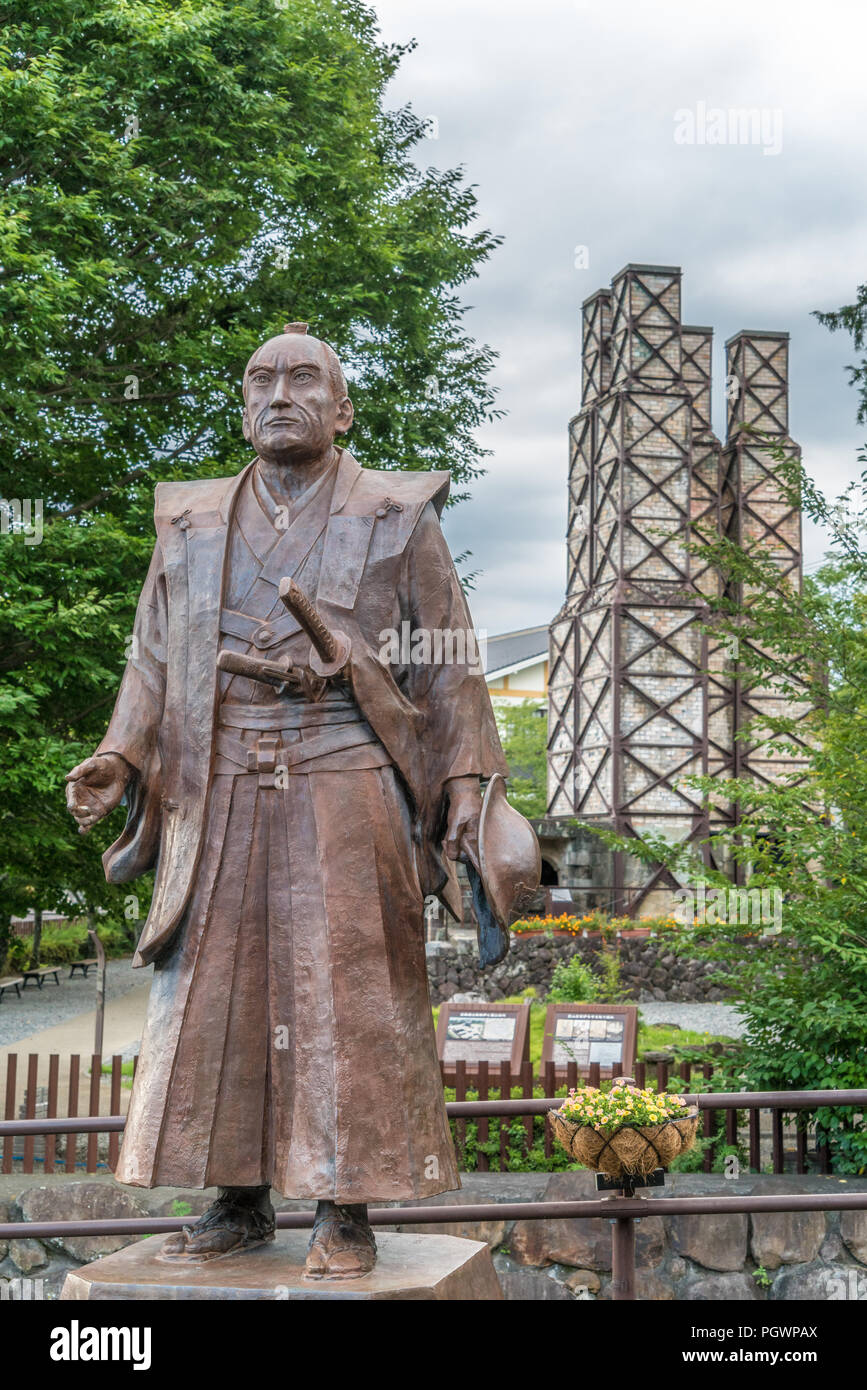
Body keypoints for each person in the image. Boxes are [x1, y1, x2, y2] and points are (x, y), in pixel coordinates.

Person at [66, 323, 508, 1279]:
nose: (279, 394)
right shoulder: (188, 524)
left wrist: (465, 790)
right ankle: (234, 1197)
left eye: (303, 379)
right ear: (243, 406)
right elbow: (153, 657)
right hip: (217, 778)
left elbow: (452, 671)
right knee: (220, 986)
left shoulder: (396, 515)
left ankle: (344, 1206)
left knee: (346, 989)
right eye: (260, 380)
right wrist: (119, 752)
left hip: (345, 774)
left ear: (341, 408)